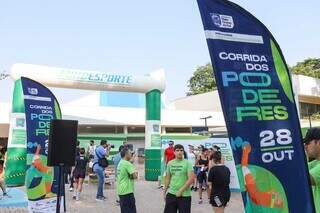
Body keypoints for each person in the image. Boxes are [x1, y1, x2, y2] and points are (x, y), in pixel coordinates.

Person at [163, 144, 195, 213]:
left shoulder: (187, 163)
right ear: (174, 152)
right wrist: (165, 191)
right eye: (177, 150)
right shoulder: (170, 163)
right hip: (171, 194)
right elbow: (167, 178)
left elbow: (191, 179)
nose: (179, 152)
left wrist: (181, 191)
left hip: (185, 195)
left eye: (181, 150)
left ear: (183, 152)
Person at [304, 127, 320, 212]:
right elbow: (301, 167)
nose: (305, 146)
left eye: (307, 143)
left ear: (318, 143)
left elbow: (303, 179)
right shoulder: (316, 163)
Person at [117, 147, 138, 213]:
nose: (131, 154)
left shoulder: (121, 162)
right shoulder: (127, 164)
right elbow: (135, 176)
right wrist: (134, 174)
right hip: (127, 192)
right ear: (126, 154)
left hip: (121, 191)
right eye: (130, 153)